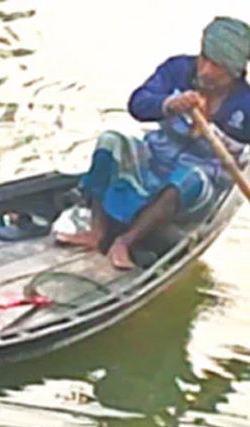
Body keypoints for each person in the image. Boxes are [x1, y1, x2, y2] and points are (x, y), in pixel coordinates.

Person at [57, 16, 250, 269]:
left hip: (199, 184)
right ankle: (97, 231)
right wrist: (167, 104)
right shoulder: (177, 70)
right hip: (154, 161)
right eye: (204, 59)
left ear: (234, 73)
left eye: (216, 67)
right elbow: (137, 103)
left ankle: (124, 242)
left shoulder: (244, 105)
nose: (205, 70)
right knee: (110, 141)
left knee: (189, 177)